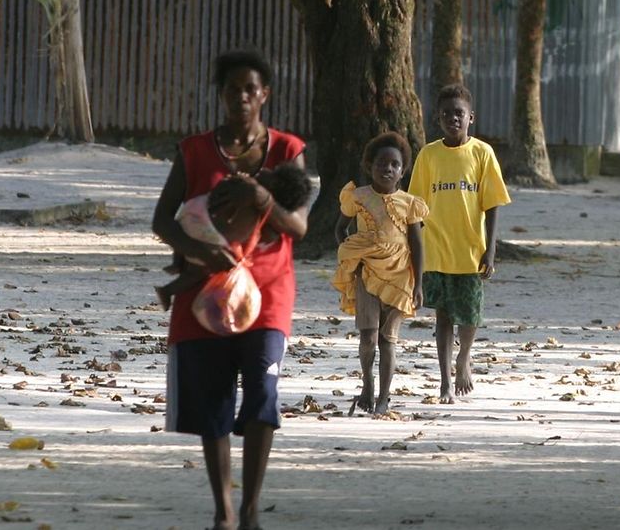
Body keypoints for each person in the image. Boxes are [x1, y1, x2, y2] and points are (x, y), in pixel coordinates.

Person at [150, 50, 312, 530]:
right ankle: (222, 513)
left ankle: (250, 511)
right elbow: (162, 221)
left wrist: (262, 198)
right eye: (231, 89)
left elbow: (298, 225)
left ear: (265, 94)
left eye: (250, 89)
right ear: (219, 95)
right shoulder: (195, 151)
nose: (241, 97)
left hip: (268, 293)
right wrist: (201, 256)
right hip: (207, 293)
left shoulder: (286, 150)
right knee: (213, 402)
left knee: (262, 392)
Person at [408, 84, 512, 404]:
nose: (453, 118)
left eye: (459, 113)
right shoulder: (428, 155)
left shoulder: (483, 153)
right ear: (437, 119)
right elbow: (416, 207)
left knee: (470, 315)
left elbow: (492, 202)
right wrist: (414, 255)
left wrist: (490, 248)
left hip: (470, 250)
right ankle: (444, 382)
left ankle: (464, 357)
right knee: (443, 315)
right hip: (437, 250)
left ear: (471, 118)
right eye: (446, 114)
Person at [333, 131, 429, 415]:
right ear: (369, 166)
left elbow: (417, 244)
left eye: (394, 165)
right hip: (366, 275)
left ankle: (384, 397)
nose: (387, 168)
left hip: (401, 278)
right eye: (381, 163)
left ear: (402, 171)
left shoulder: (410, 203)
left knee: (389, 339)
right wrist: (351, 253)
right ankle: (367, 386)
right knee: (368, 337)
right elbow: (341, 229)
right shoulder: (359, 197)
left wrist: (419, 284)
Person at [157, 163, 313, 309]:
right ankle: (168, 290)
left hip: (193, 210)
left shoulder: (250, 180)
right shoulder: (257, 200)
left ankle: (177, 261)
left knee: (193, 243)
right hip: (204, 228)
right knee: (208, 266)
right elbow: (265, 235)